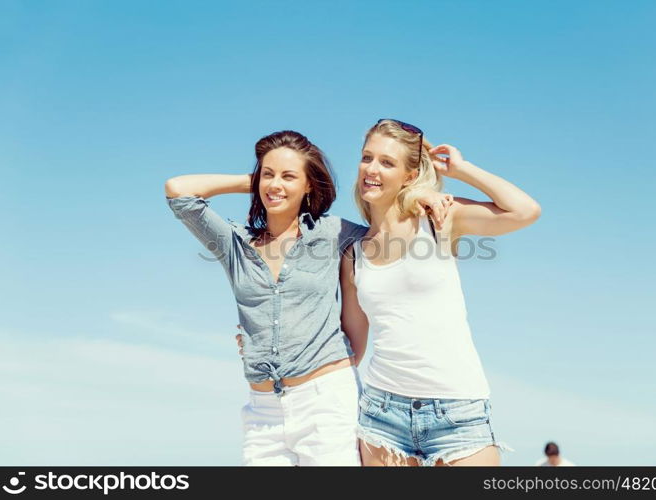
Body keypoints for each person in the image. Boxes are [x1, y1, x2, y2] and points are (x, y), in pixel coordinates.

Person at [166, 130, 449, 466]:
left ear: (309, 185)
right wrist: (257, 181)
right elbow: (178, 191)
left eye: (289, 176)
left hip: (325, 401)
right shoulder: (235, 245)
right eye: (268, 174)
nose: (276, 185)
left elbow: (391, 229)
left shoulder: (334, 234)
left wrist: (419, 197)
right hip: (263, 411)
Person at [340, 118, 541, 466]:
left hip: (457, 411)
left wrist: (462, 170)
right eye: (367, 157)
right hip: (381, 413)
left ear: (409, 174)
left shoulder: (438, 219)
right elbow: (352, 346)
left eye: (387, 162)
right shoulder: (353, 253)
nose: (371, 169)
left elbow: (525, 212)